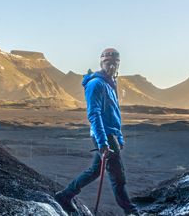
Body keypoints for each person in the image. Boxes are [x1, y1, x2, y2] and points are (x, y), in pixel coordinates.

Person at [54, 48, 140, 215]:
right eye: (108, 63)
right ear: (101, 63)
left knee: (95, 171)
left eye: (115, 64)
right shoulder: (96, 84)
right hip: (104, 135)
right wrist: (103, 141)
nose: (112, 67)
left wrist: (119, 136)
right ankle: (131, 211)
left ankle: (64, 196)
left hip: (110, 134)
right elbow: (94, 114)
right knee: (118, 177)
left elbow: (114, 113)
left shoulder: (109, 84)